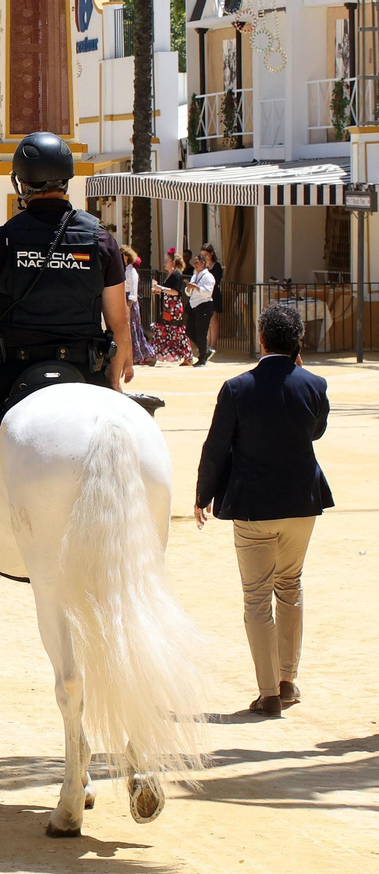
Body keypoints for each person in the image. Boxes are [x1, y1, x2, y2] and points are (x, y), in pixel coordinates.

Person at [0, 132, 133, 592]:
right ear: (67, 179)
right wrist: (116, 379)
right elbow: (119, 324)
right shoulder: (100, 238)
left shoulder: (0, 241)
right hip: (86, 372)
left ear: (21, 183)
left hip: (15, 370)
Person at [195, 303, 333, 717]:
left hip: (255, 506)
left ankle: (268, 691)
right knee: (290, 587)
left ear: (260, 339)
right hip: (302, 503)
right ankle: (289, 680)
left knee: (257, 598)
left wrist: (203, 495)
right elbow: (317, 430)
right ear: (298, 344)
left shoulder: (237, 387)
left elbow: (216, 448)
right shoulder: (315, 383)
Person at [152, 251, 192, 363]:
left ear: (173, 262)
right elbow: (168, 291)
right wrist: (159, 291)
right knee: (167, 330)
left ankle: (187, 355)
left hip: (174, 309)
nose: (164, 264)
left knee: (176, 331)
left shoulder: (176, 275)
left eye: (166, 261)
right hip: (167, 307)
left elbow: (175, 292)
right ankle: (164, 354)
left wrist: (160, 288)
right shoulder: (169, 275)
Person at [121, 245, 156, 365]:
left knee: (134, 329)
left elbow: (133, 293)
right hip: (122, 300)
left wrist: (128, 306)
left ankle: (145, 354)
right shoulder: (122, 270)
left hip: (130, 303)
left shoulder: (132, 271)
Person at [184, 247, 216, 366]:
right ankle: (205, 350)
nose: (195, 264)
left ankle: (202, 357)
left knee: (201, 333)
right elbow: (188, 292)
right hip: (194, 306)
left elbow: (208, 292)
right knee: (190, 331)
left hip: (204, 305)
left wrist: (196, 287)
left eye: (197, 262)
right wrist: (189, 288)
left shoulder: (208, 276)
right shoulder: (195, 275)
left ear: (203, 263)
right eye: (194, 262)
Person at [204, 243, 224, 359]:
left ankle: (213, 344)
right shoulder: (204, 266)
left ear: (211, 254)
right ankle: (208, 343)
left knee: (213, 320)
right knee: (208, 321)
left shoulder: (216, 266)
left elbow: (215, 280)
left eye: (206, 254)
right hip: (206, 295)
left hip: (214, 294)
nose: (205, 257)